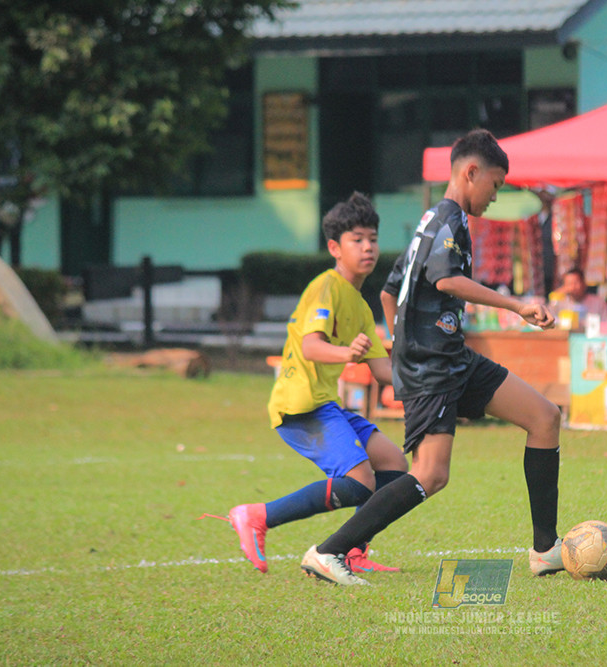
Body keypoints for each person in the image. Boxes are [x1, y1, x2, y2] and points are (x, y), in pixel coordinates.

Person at [300, 129, 564, 585]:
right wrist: (517, 305)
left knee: (544, 417)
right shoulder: (449, 220)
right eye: (496, 185)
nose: (495, 197)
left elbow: (389, 290)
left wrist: (401, 344)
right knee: (431, 474)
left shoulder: (431, 221)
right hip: (435, 368)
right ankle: (329, 551)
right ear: (471, 172)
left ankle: (545, 550)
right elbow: (447, 282)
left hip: (451, 358)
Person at [210, 192, 408, 575]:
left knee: (394, 465)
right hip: (300, 404)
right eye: (357, 240)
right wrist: (348, 354)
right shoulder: (326, 287)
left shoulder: (360, 304)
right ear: (335, 247)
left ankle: (352, 551)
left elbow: (383, 370)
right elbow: (312, 346)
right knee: (359, 481)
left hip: (325, 404)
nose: (368, 247)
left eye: (372, 238)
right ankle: (256, 515)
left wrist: (429, 384)